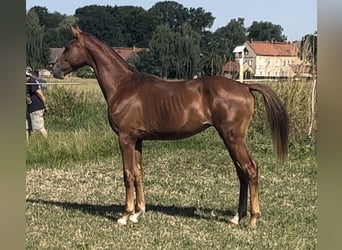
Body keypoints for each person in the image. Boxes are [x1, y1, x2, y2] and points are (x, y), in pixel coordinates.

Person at [26, 67, 48, 138]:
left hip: (36, 108)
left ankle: (47, 142)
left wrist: (45, 104)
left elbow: (39, 93)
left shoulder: (31, 81)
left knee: (39, 128)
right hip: (32, 108)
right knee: (33, 127)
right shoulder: (27, 82)